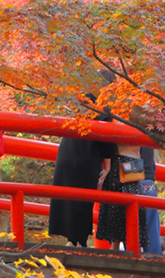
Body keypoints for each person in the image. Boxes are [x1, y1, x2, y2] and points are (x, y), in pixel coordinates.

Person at [49, 70, 115, 247]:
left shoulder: (79, 100)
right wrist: (107, 165)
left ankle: (72, 240)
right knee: (83, 198)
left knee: (67, 195)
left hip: (67, 151)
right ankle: (79, 241)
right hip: (87, 154)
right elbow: (106, 137)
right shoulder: (103, 107)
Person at [94, 144, 151, 251]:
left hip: (124, 162)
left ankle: (127, 246)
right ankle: (125, 246)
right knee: (117, 207)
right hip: (128, 162)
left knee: (121, 206)